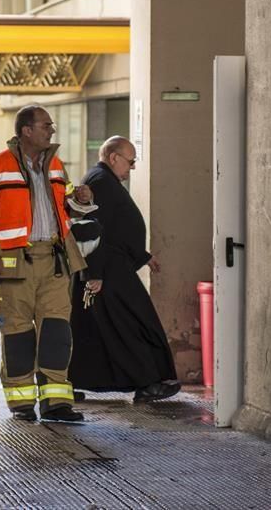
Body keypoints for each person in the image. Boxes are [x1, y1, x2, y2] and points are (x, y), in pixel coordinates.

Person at [0, 105, 92, 422]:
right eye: (46, 125)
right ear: (26, 130)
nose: (51, 130)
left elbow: (67, 205)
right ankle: (21, 401)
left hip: (54, 261)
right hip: (13, 264)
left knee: (57, 332)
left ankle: (56, 401)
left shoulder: (55, 164)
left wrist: (80, 199)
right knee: (17, 335)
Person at [69, 136, 181, 403]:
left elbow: (116, 228)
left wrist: (142, 256)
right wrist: (93, 275)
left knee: (106, 328)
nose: (131, 168)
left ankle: (79, 383)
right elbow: (91, 230)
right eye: (130, 161)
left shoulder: (104, 180)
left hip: (111, 267)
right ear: (113, 157)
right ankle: (147, 382)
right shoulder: (99, 182)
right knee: (132, 324)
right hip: (105, 271)